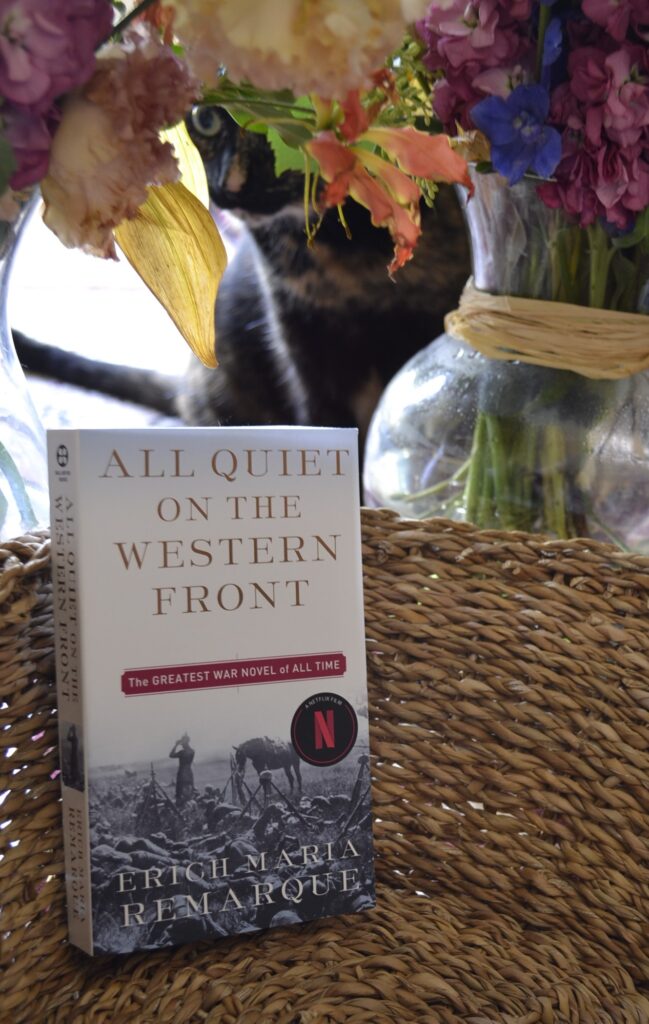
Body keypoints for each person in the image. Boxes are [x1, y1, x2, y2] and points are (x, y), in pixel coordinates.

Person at [169, 733, 195, 807]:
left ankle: (180, 808)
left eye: (182, 743)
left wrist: (176, 745)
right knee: (188, 792)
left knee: (179, 793)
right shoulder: (192, 751)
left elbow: (171, 755)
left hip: (182, 773)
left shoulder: (182, 752)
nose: (182, 745)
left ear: (185, 742)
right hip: (189, 773)